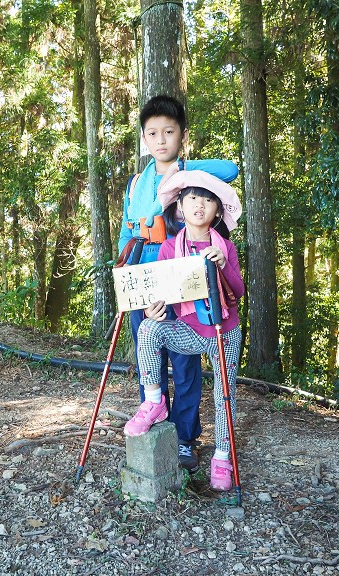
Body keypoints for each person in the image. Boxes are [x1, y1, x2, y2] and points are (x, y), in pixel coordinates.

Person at [118, 95, 238, 473]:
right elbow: (126, 232)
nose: (161, 140)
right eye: (152, 134)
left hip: (182, 270)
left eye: (169, 132)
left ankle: (186, 439)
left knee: (185, 361)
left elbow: (230, 168)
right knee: (147, 349)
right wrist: (124, 276)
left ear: (182, 136)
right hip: (145, 276)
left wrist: (180, 168)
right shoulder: (137, 182)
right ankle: (153, 420)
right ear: (143, 139)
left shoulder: (189, 176)